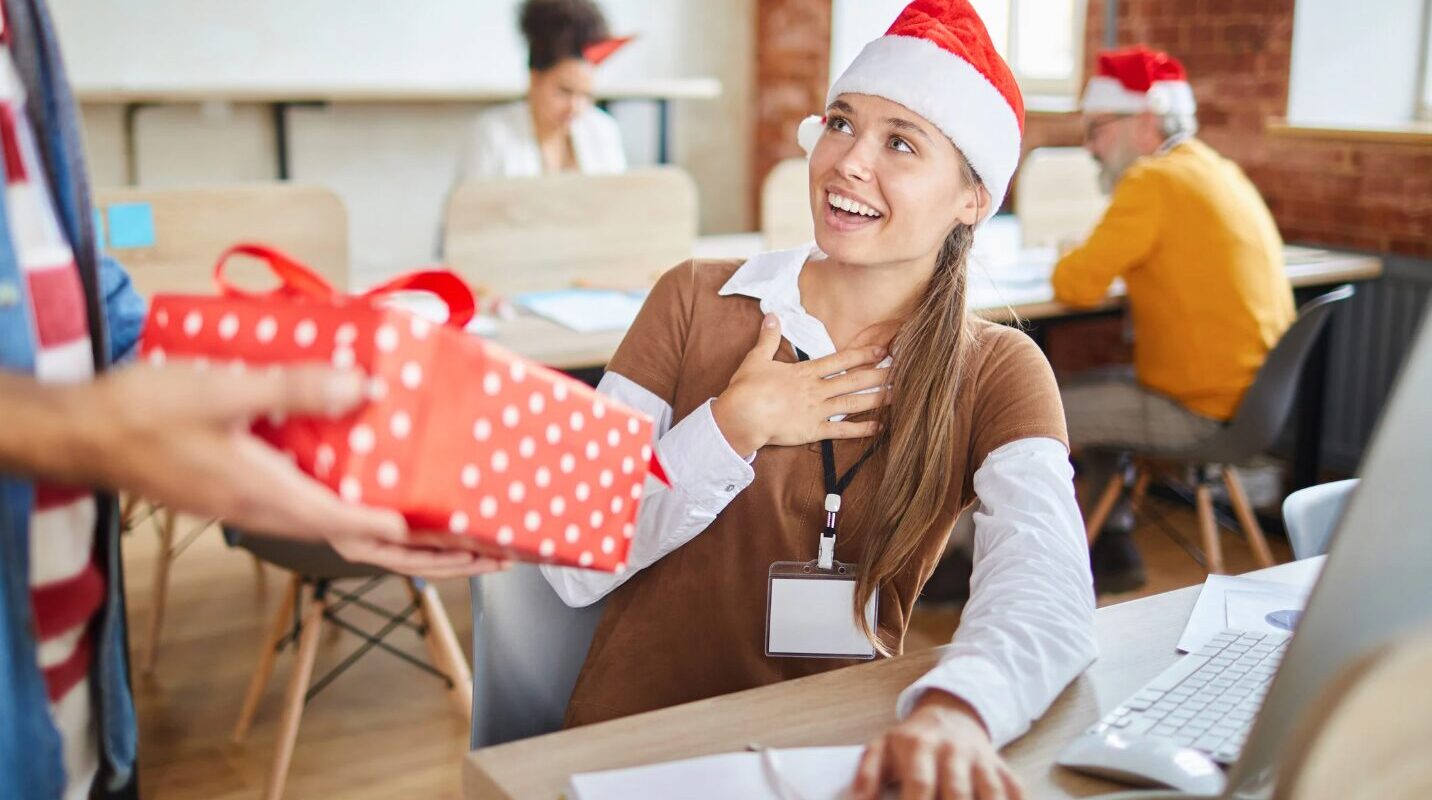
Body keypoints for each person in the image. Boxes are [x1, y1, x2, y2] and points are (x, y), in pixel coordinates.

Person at [541, 1, 1097, 796]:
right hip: (639, 751)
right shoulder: (695, 298)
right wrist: (734, 426)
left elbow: (1044, 582)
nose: (847, 161)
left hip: (846, 764)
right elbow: (568, 555)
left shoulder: (997, 368)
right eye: (841, 123)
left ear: (973, 198)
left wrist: (956, 709)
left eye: (900, 142)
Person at [0, 2, 507, 797]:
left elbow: (104, 315)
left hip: (77, 720)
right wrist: (82, 428)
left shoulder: (22, 26)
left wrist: (335, 477)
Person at [1051, 46, 1295, 593]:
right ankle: (1114, 548)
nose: (1090, 148)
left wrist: (1070, 251)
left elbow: (1075, 285)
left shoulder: (1151, 181)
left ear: (1142, 123)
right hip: (1256, 405)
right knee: (1104, 389)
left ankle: (962, 563)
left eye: (1096, 130)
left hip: (1198, 409)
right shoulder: (1215, 168)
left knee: (1028, 409)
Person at [455, 0, 629, 180]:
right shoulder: (492, 135)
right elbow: (468, 206)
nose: (575, 107)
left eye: (586, 94)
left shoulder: (603, 131)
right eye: (565, 91)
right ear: (534, 79)